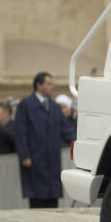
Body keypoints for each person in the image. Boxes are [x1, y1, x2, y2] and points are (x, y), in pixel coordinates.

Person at [16, 72, 77, 208]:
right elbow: (21, 131)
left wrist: (80, 141)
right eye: (48, 84)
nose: (52, 87)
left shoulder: (55, 107)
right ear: (39, 85)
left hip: (52, 158)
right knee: (37, 196)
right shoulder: (26, 105)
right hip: (35, 157)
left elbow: (67, 130)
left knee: (52, 196)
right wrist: (24, 155)